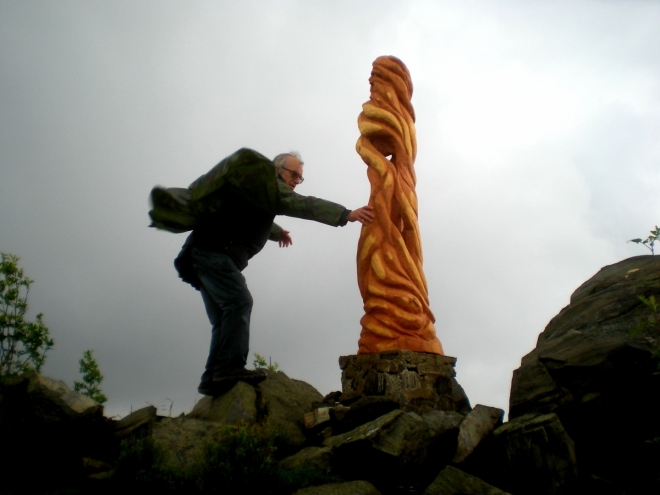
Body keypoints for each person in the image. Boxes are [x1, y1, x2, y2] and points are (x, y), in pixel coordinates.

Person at [169, 150, 373, 396]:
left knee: (224, 317)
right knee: (238, 303)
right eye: (293, 174)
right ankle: (228, 369)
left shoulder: (260, 191)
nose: (297, 180)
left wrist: (276, 232)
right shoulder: (271, 186)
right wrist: (345, 214)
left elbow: (249, 214)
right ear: (277, 170)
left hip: (199, 254)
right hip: (213, 254)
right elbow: (303, 205)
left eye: (300, 177)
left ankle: (213, 377)